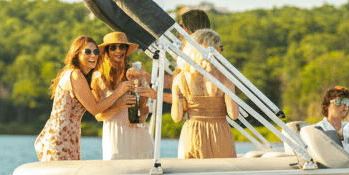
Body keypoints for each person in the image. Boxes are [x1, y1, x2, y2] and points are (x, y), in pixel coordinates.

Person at [34, 36, 135, 161]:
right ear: (76, 53)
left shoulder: (76, 74)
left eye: (96, 52)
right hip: (59, 140)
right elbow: (95, 109)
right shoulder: (75, 75)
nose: (93, 55)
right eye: (87, 51)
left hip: (66, 138)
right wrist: (119, 92)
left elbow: (96, 106)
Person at [171, 28, 238, 159]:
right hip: (220, 133)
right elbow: (234, 115)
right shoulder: (225, 78)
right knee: (222, 171)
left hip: (192, 134)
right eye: (220, 48)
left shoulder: (180, 79)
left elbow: (176, 117)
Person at [92, 32, 156, 160]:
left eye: (122, 47)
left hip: (139, 132)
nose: (118, 51)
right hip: (116, 134)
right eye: (113, 47)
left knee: (146, 169)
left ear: (126, 50)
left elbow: (143, 111)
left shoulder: (134, 74)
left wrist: (145, 88)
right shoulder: (99, 77)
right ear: (106, 51)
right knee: (116, 169)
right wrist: (118, 105)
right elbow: (98, 116)